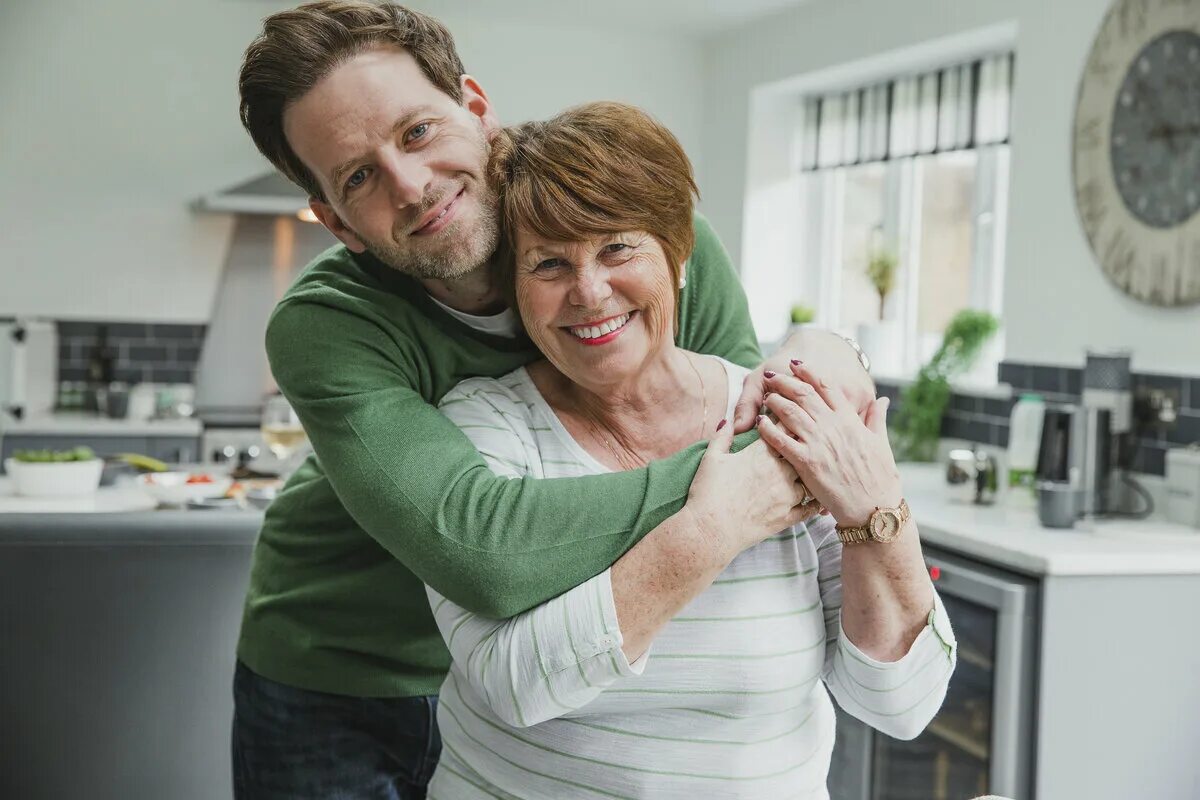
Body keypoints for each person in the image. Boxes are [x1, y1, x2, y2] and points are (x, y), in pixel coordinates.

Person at [231, 3, 875, 797]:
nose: (411, 186)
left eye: (418, 132)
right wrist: (757, 474)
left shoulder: (645, 237)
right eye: (359, 177)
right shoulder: (327, 324)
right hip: (339, 674)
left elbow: (731, 422)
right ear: (336, 222)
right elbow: (486, 550)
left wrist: (829, 355)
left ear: (476, 108)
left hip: (539, 681)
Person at [425, 102, 955, 799]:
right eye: (549, 263)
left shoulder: (782, 413)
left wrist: (877, 517)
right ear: (518, 290)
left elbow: (900, 705)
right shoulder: (483, 427)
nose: (588, 291)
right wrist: (714, 527)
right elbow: (513, 685)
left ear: (678, 260)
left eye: (618, 249)